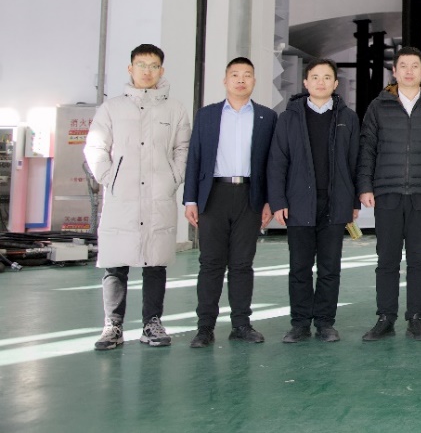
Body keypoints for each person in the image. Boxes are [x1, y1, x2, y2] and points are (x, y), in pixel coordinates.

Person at [85, 43, 191, 350]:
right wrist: (110, 178)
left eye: (153, 65)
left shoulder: (174, 109)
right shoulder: (112, 108)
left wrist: (173, 178)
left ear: (161, 70)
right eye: (141, 65)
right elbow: (96, 147)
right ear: (130, 69)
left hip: (159, 194)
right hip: (123, 195)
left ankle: (152, 323)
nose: (147, 71)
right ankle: (113, 325)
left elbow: (183, 148)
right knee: (115, 262)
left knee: (155, 262)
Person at [183, 57, 278, 348]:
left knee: (242, 263)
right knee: (210, 263)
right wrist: (190, 199)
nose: (241, 80)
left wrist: (270, 201)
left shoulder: (266, 117)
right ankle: (205, 328)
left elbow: (273, 163)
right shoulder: (207, 115)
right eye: (235, 74)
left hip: (250, 196)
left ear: (254, 81)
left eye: (247, 75)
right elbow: (194, 158)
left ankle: (241, 324)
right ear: (225, 80)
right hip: (214, 194)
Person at [268, 59, 364, 343]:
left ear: (336, 83)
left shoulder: (348, 118)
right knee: (299, 267)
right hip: (298, 203)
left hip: (335, 204)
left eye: (326, 77)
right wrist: (278, 201)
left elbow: (356, 161)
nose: (320, 82)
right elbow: (277, 162)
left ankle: (324, 322)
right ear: (305, 82)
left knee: (329, 268)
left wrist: (354, 202)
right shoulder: (289, 118)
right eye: (315, 77)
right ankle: (299, 323)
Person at [358, 46, 421, 342]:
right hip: (387, 192)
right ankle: (385, 318)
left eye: (414, 66)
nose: (409, 71)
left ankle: (416, 318)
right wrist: (365, 185)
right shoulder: (378, 106)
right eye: (403, 66)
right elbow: (367, 148)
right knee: (387, 259)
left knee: (419, 259)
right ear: (394, 71)